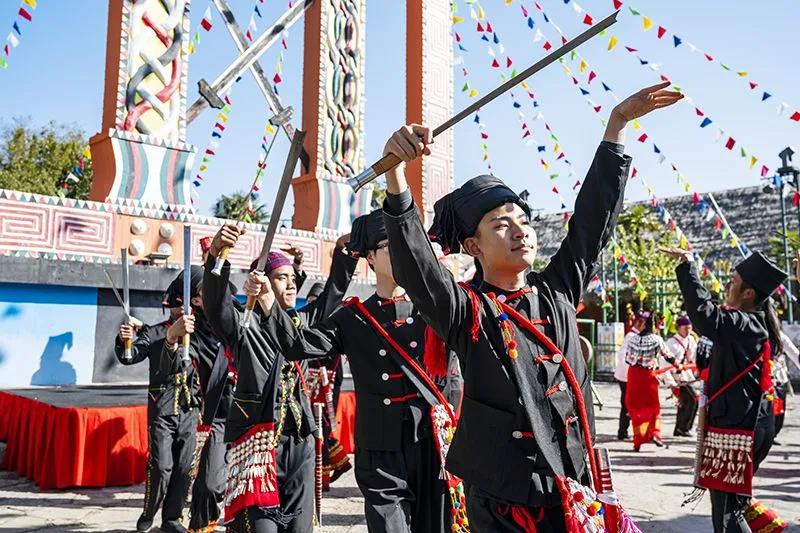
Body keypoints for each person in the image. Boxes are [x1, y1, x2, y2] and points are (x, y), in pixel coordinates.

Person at [379, 82, 682, 531]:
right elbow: (420, 270)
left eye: (523, 220)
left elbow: (592, 223)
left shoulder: (558, 291)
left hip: (576, 488)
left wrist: (616, 125)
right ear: (472, 245)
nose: (520, 231)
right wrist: (396, 176)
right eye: (501, 225)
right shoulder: (467, 309)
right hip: (504, 501)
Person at [269, 209, 454, 533]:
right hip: (380, 451)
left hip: (431, 445)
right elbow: (296, 344)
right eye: (389, 245)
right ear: (369, 257)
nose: (401, 252)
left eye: (405, 243)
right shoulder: (352, 318)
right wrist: (269, 302)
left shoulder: (436, 310)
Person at [202, 228, 356, 533]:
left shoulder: (305, 322)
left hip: (300, 441)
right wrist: (216, 258)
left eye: (292, 277)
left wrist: (342, 252)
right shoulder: (242, 321)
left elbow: (333, 293)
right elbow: (215, 303)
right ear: (263, 282)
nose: (291, 282)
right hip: (256, 439)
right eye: (282, 277)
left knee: (300, 527)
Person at [667, 248, 786, 532]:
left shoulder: (745, 324)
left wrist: (688, 267)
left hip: (739, 429)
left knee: (726, 514)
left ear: (748, 293)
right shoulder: (749, 323)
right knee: (734, 505)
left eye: (733, 281)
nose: (728, 285)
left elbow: (704, 315)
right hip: (748, 424)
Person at [116, 274, 199, 533]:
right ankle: (149, 511)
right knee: (162, 466)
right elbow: (129, 357)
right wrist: (125, 339)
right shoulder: (153, 332)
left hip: (190, 409)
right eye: (178, 303)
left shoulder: (201, 333)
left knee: (185, 468)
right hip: (162, 408)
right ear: (170, 304)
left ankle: (172, 518)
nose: (183, 309)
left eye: (188, 304)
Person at [624, 312, 669, 451]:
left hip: (633, 375)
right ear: (655, 325)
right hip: (649, 375)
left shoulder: (632, 339)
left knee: (635, 407)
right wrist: (678, 365)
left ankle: (638, 441)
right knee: (653, 406)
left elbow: (627, 359)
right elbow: (668, 356)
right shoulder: (657, 339)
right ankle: (655, 433)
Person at [614, 310, 649, 440]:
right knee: (627, 404)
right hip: (626, 377)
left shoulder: (636, 336)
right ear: (641, 323)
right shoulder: (631, 336)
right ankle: (623, 432)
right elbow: (624, 357)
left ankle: (626, 431)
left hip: (630, 376)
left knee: (630, 404)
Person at [663, 315, 699, 437]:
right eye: (685, 328)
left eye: (690, 328)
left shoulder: (691, 340)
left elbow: (693, 357)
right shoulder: (671, 343)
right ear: (678, 328)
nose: (688, 330)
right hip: (677, 377)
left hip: (687, 375)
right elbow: (664, 363)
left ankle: (679, 428)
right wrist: (669, 382)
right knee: (694, 399)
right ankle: (684, 427)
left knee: (684, 402)